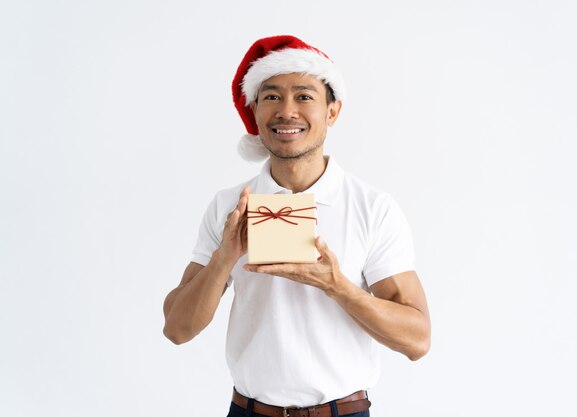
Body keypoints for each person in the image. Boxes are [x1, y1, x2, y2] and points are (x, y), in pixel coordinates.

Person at [163, 35, 431, 417]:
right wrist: (225, 258)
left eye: (304, 96)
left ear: (332, 112)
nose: (286, 111)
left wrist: (337, 287)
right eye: (271, 97)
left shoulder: (372, 207)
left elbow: (417, 340)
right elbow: (177, 329)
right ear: (254, 111)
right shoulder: (229, 206)